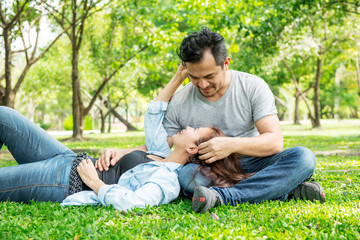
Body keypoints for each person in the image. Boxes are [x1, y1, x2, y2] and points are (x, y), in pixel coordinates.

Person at [96, 28, 325, 213]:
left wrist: (230, 145)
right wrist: (124, 151)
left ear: (226, 63)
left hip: (251, 162)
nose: (203, 85)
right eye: (194, 78)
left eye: (209, 76)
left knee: (304, 158)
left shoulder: (252, 87)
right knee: (186, 177)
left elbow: (274, 142)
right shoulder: (180, 101)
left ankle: (224, 197)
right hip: (207, 171)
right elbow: (164, 147)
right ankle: (284, 190)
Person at [0, 64, 249, 212]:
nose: (188, 126)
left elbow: (133, 204)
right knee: (4, 116)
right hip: (66, 157)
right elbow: (154, 113)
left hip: (63, 181)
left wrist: (94, 183)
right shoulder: (160, 151)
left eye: (195, 129)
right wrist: (179, 76)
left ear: (193, 148)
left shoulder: (167, 182)